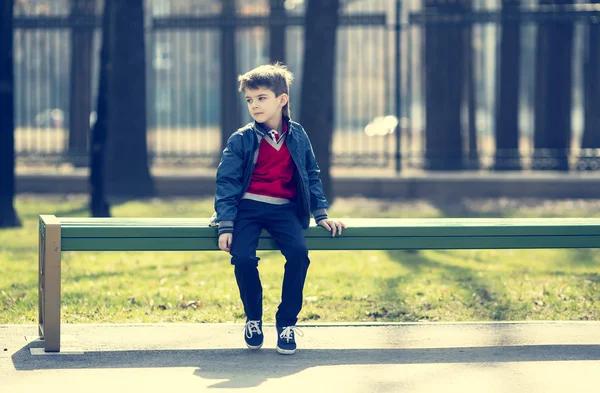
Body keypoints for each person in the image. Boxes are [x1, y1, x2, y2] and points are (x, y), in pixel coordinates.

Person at [212, 63, 347, 355]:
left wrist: (321, 213)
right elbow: (227, 181)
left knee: (299, 254)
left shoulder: (297, 136)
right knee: (243, 258)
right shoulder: (241, 139)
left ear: (281, 99)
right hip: (247, 208)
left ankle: (286, 323)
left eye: (261, 98)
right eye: (249, 100)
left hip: (284, 210)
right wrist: (226, 224)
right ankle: (253, 319)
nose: (254, 105)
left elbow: (311, 174)